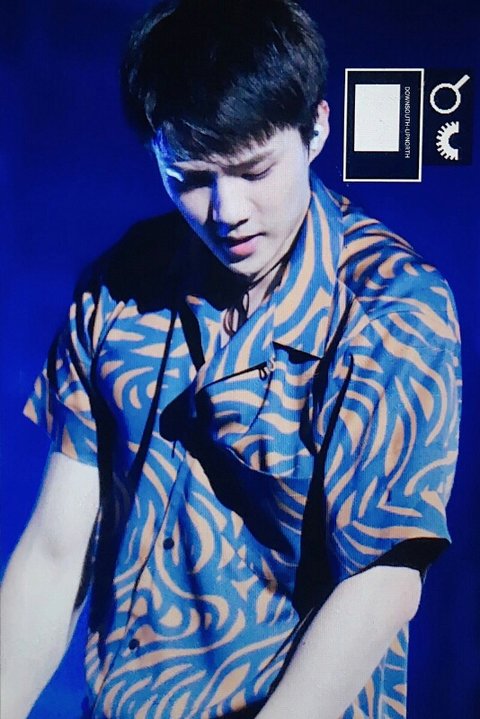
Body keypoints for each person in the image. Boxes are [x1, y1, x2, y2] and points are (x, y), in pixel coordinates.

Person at [0, 1, 461, 718]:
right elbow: (56, 552)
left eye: (253, 170)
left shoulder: (392, 311)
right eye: (190, 176)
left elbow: (381, 584)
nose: (227, 210)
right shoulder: (119, 286)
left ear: (316, 129)